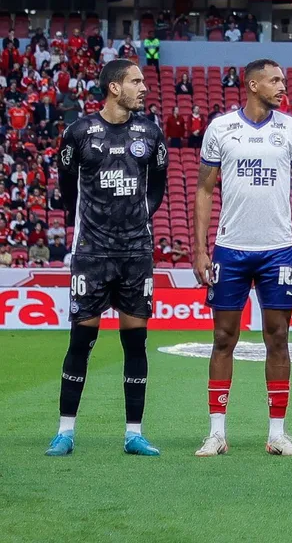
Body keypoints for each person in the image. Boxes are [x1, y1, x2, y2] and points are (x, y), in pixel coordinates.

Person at [192, 59, 292, 458]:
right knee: (223, 338)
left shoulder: (291, 129)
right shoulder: (221, 128)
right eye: (276, 80)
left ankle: (277, 433)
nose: (284, 86)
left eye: (284, 79)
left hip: (277, 249)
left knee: (278, 338)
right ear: (252, 84)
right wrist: (199, 248)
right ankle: (216, 433)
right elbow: (204, 189)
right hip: (231, 248)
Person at [45, 59, 168, 457]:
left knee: (136, 343)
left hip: (136, 253)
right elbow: (66, 189)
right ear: (114, 87)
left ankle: (134, 433)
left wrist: (138, 219)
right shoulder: (79, 132)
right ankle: (65, 432)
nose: (143, 88)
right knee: (81, 341)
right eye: (135, 81)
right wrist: (92, 224)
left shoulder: (150, 133)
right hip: (91, 254)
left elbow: (158, 188)